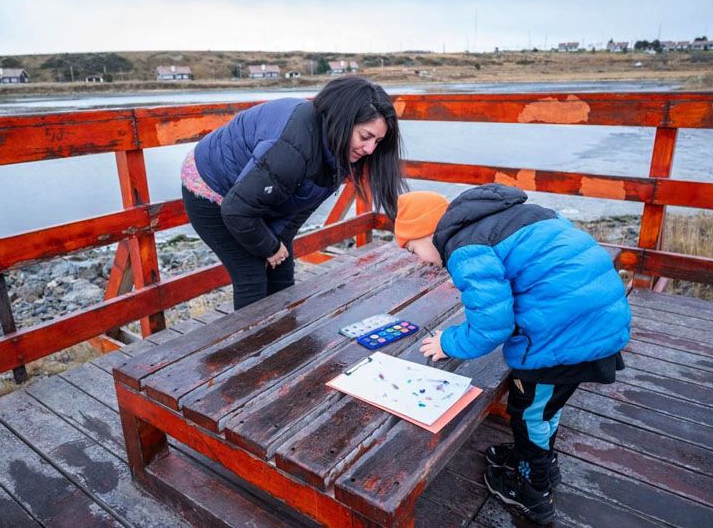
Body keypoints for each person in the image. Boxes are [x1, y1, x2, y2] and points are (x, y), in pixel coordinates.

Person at [393, 184, 631, 525]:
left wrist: (448, 343)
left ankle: (533, 491)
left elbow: (492, 325)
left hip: (563, 335)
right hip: (594, 315)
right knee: (548, 405)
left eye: (414, 250)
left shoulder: (463, 248)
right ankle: (538, 459)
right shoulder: (502, 217)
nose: (421, 261)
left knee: (530, 411)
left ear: (428, 233)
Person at [181, 76, 405, 310]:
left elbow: (301, 206)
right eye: (365, 137)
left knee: (282, 265)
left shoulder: (340, 149)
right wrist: (269, 247)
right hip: (210, 188)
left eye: (378, 141)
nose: (370, 149)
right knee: (251, 274)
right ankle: (251, 344)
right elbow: (236, 210)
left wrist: (276, 245)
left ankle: (282, 338)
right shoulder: (293, 147)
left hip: (255, 194)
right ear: (342, 121)